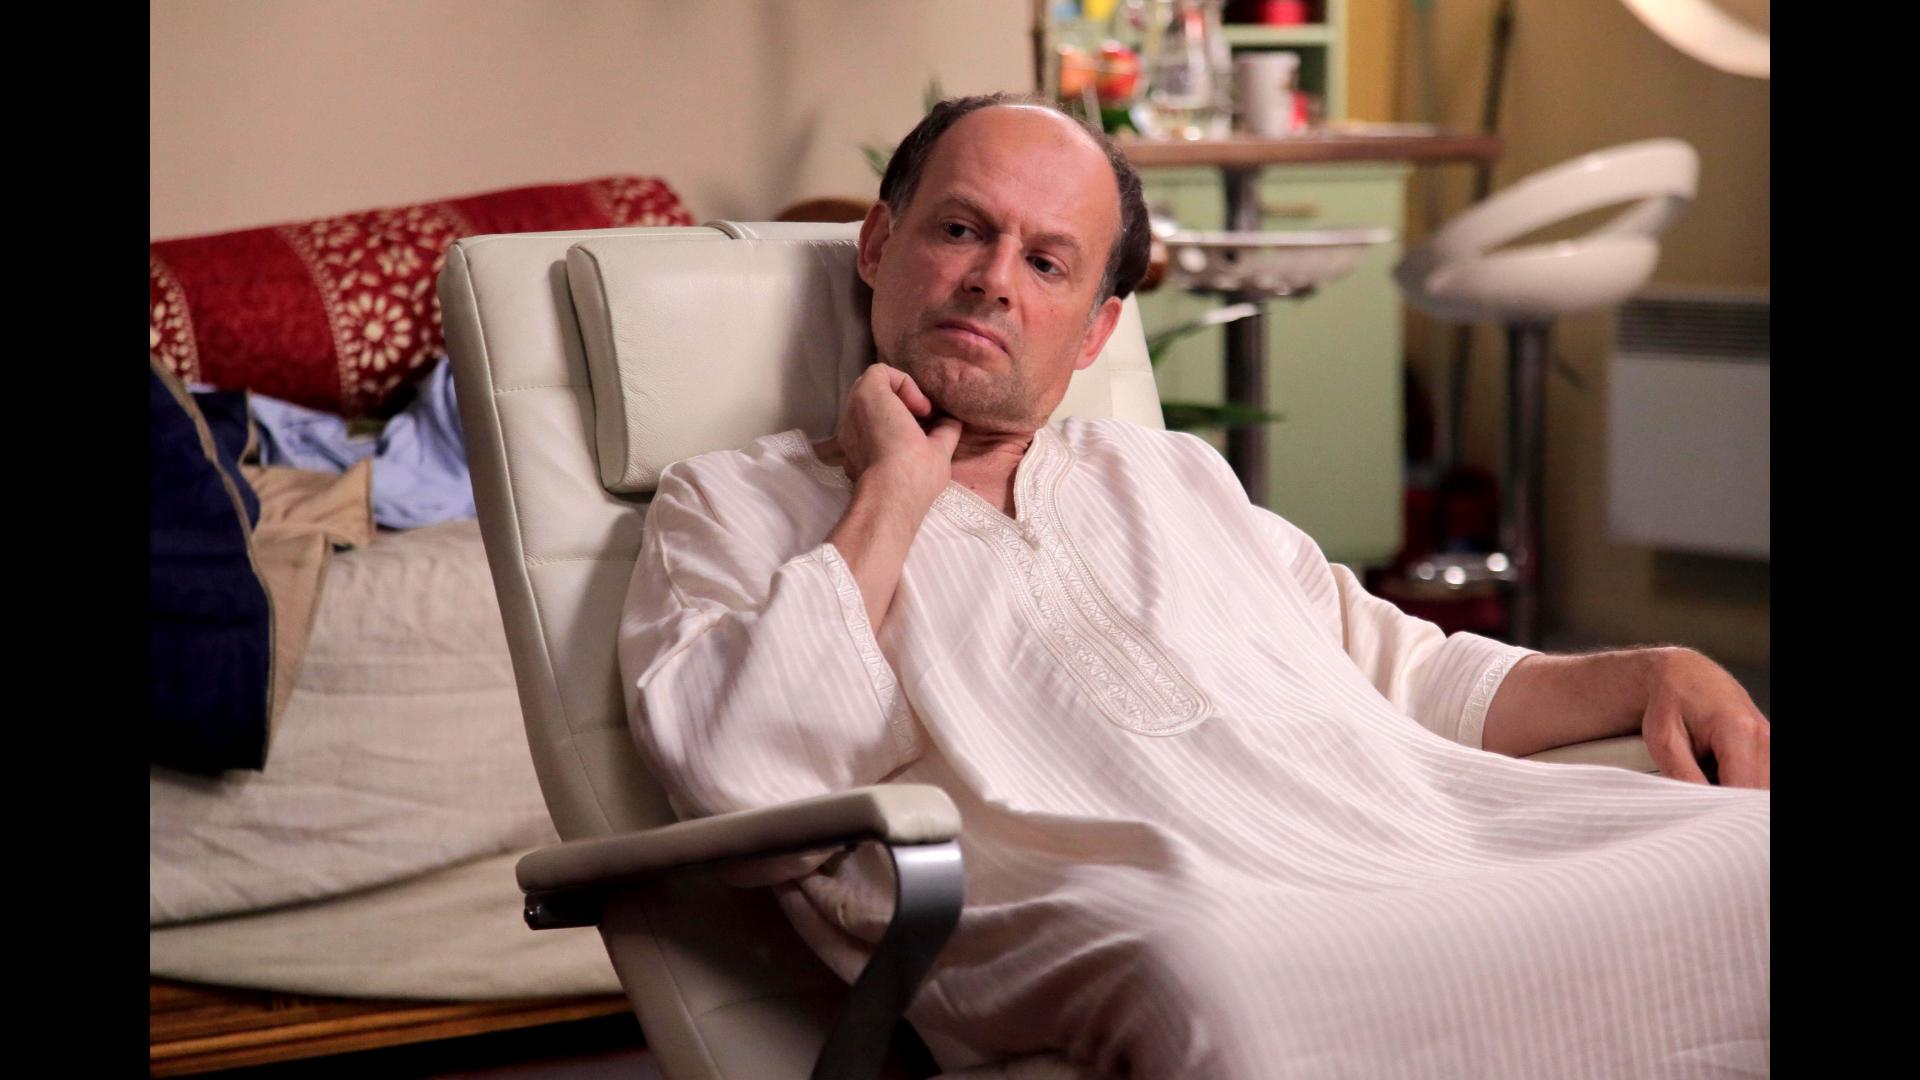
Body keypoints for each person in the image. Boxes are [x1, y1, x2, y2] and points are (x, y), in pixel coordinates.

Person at [617, 93, 1768, 1078]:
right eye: (961, 230)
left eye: (1047, 262)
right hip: (1152, 925)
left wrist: (1653, 669)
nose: (993, 282)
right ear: (878, 243)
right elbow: (743, 781)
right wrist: (889, 495)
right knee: (1221, 981)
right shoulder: (732, 503)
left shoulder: (1167, 474)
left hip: (1394, 843)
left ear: (1095, 330)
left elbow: (1409, 673)